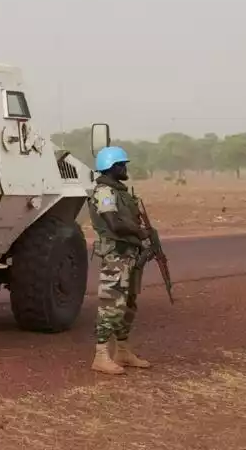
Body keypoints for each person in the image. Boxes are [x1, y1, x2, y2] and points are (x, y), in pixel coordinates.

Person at [87, 145, 154, 375]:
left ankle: (123, 351)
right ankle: (101, 355)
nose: (125, 169)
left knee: (128, 306)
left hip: (129, 254)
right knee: (111, 306)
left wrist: (145, 244)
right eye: (122, 165)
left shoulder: (120, 192)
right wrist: (140, 232)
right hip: (116, 256)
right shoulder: (104, 192)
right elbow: (114, 223)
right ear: (113, 167)